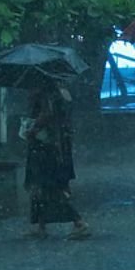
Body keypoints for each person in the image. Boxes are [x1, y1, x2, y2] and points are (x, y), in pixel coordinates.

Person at [23, 79, 90, 240]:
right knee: (41, 187)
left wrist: (33, 128)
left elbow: (47, 114)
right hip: (54, 146)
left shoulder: (47, 94)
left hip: (45, 147)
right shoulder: (60, 93)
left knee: (48, 187)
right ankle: (41, 226)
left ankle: (79, 222)